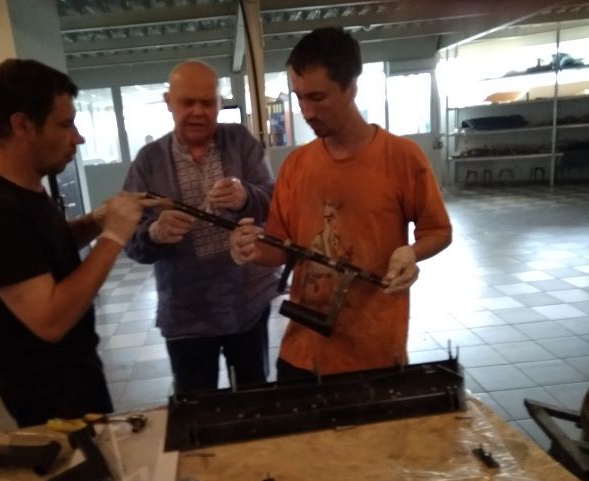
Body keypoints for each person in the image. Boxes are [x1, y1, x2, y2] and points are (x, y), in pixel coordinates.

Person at [230, 27, 452, 382]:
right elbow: (280, 247)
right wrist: (252, 248)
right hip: (302, 351)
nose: (307, 111)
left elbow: (438, 230)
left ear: (351, 88)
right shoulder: (297, 165)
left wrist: (412, 253)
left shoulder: (401, 157)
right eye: (299, 97)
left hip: (374, 350)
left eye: (318, 97)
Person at [0, 58, 149, 427]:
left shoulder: (22, 188)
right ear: (22, 125)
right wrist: (114, 236)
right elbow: (50, 320)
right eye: (65, 124)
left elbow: (42, 251)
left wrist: (96, 221)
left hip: (74, 377)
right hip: (47, 396)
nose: (79, 138)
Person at [123, 60, 279, 393]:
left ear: (219, 104)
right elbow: (130, 239)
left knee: (255, 398)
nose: (198, 111)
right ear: (169, 102)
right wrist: (154, 233)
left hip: (247, 302)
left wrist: (245, 196)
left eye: (207, 102)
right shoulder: (148, 160)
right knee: (196, 405)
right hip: (186, 312)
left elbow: (274, 200)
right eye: (187, 102)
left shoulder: (240, 141)